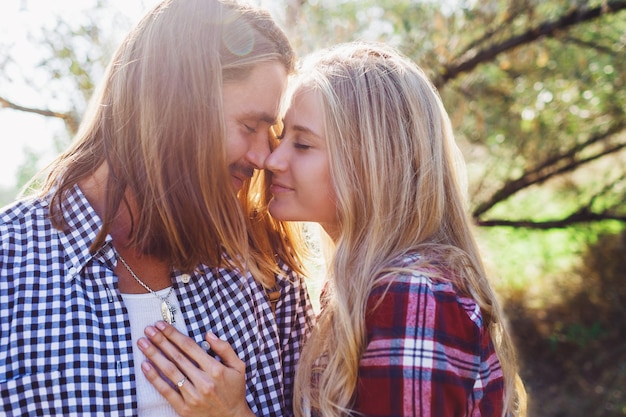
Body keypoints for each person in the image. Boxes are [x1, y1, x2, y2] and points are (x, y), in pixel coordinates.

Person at [0, 0, 314, 416]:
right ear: (175, 105)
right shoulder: (9, 264)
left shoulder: (265, 270)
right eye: (249, 126)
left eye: (269, 130)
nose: (263, 156)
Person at [263, 42, 527, 416]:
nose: (273, 159)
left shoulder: (412, 296)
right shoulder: (362, 285)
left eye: (303, 144)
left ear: (373, 165)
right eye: (281, 137)